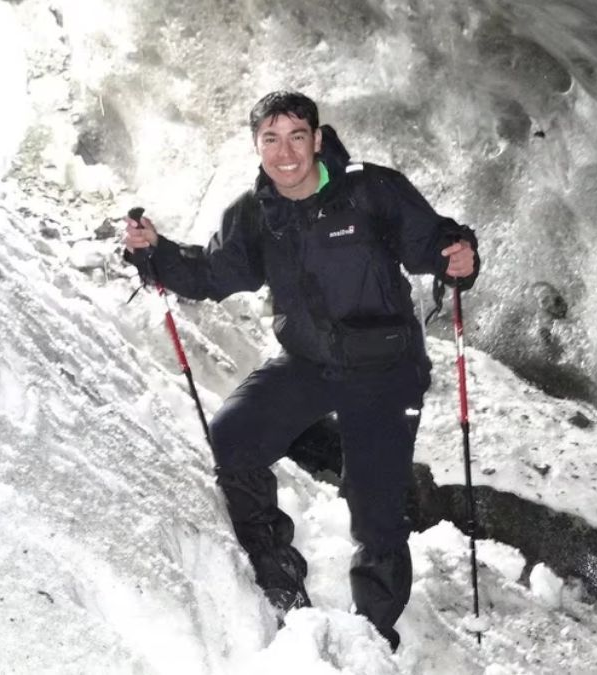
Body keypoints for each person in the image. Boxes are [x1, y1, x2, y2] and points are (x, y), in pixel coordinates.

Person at [123, 91, 479, 650]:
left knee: (377, 512)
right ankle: (279, 582)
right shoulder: (255, 213)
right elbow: (212, 273)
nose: (284, 152)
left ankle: (372, 635)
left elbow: (433, 243)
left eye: (296, 136)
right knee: (232, 439)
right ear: (256, 145)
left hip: (385, 367)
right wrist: (155, 252)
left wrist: (459, 257)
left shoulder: (371, 190)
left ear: (316, 139)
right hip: (310, 362)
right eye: (271, 139)